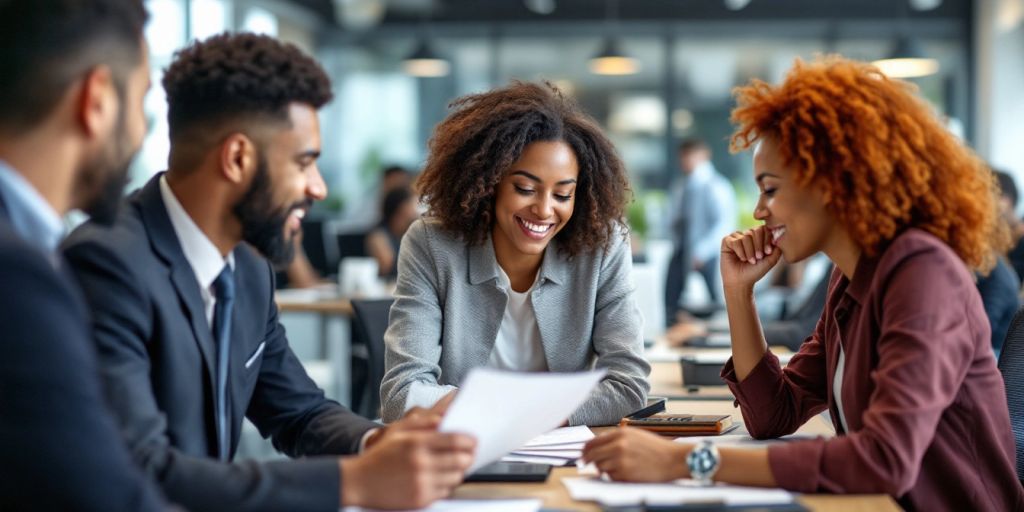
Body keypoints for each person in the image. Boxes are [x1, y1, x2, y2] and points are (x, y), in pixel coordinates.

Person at [582, 56, 1024, 511]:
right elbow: (774, 414)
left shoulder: (922, 273)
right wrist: (739, 293)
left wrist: (689, 460)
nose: (758, 211)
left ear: (833, 182)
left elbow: (885, 459)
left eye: (770, 189)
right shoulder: (852, 277)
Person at [63, 33, 475, 512]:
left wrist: (379, 442)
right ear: (238, 159)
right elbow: (141, 469)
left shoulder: (248, 268)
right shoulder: (106, 265)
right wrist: (352, 482)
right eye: (304, 163)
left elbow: (299, 412)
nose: (318, 189)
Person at [380, 81, 650, 426]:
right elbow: (402, 394)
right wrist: (530, 411)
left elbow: (628, 386)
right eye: (525, 188)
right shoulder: (433, 244)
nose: (544, 209)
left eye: (563, 195)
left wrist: (502, 411)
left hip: (561, 456)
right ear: (489, 182)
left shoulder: (601, 246)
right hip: (459, 451)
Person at [0, 1, 167, 510]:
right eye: (140, 102)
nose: (141, 132)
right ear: (96, 101)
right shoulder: (17, 278)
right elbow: (106, 496)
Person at [665, 138, 737, 311]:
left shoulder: (716, 185)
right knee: (671, 301)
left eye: (690, 156)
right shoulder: (682, 185)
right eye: (683, 156)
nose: (685, 161)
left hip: (708, 253)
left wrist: (701, 252)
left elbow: (723, 224)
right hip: (682, 248)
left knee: (715, 303)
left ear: (704, 156)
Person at [365, 186, 418, 280]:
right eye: (412, 204)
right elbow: (386, 267)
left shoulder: (411, 233)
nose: (416, 210)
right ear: (400, 208)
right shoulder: (378, 235)